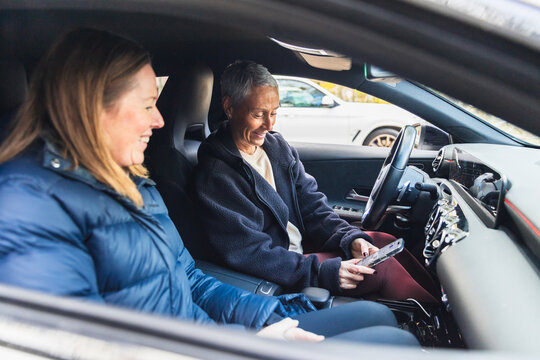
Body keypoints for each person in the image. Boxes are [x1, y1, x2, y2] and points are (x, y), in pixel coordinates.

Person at [0, 28, 419, 346]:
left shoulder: (134, 186)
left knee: (382, 322)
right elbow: (76, 346)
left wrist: (268, 319)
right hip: (201, 347)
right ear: (94, 107)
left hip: (210, 335)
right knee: (398, 343)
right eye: (148, 105)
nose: (160, 120)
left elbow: (192, 280)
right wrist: (239, 347)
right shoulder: (28, 205)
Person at [193, 60, 439, 303]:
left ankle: (441, 310)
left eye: (274, 113)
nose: (269, 125)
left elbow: (313, 207)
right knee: (382, 269)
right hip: (282, 272)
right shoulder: (216, 174)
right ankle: (444, 331)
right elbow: (250, 253)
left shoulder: (276, 147)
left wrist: (349, 238)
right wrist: (322, 273)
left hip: (300, 254)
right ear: (229, 107)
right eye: (258, 114)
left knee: (382, 243)